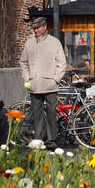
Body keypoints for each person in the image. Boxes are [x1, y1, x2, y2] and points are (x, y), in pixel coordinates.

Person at [19, 16, 67, 145]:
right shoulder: (29, 42)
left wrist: (55, 79)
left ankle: (51, 140)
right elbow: (23, 62)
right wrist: (27, 78)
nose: (35, 31)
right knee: (37, 115)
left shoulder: (54, 42)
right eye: (34, 28)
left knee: (51, 114)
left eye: (38, 28)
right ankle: (39, 139)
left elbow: (62, 63)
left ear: (45, 27)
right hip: (34, 85)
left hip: (50, 85)